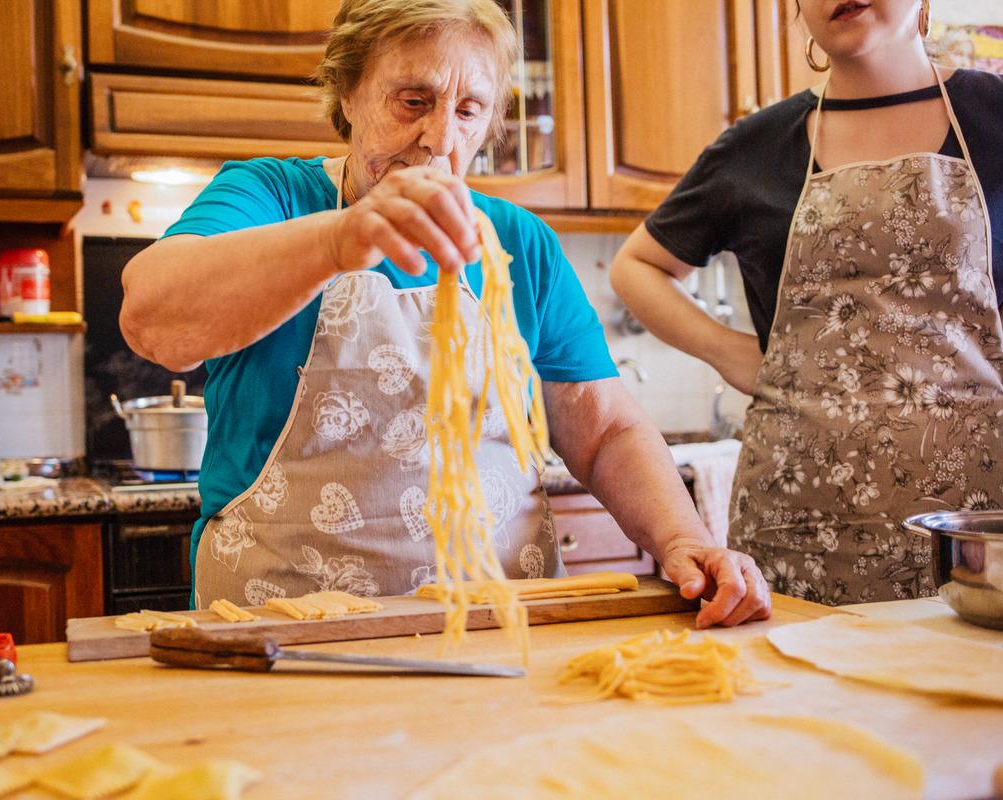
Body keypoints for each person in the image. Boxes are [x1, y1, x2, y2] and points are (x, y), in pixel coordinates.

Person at [121, 0, 771, 627]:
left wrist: (683, 537)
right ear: (348, 94)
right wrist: (339, 240)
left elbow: (605, 434)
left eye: (468, 111)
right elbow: (154, 322)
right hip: (283, 631)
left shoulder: (518, 243)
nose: (438, 140)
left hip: (495, 626)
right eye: (413, 101)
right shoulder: (272, 198)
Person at [610, 0, 1003, 604]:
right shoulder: (756, 146)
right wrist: (730, 352)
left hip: (980, 528)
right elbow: (637, 267)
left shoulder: (995, 114)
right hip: (799, 523)